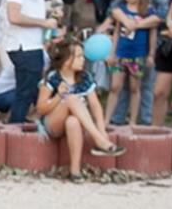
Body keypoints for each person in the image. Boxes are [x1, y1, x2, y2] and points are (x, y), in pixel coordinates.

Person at [34, 35, 124, 180]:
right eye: (79, 56)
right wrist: (58, 97)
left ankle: (75, 171)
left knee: (73, 121)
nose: (83, 60)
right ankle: (98, 141)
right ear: (67, 60)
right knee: (71, 98)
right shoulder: (53, 77)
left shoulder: (84, 77)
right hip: (53, 123)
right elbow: (40, 108)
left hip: (73, 124)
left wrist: (102, 130)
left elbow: (95, 106)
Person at [0, 0, 59, 125]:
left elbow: (30, 10)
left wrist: (49, 15)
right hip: (22, 45)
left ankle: (30, 125)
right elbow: (14, 16)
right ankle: (14, 130)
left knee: (31, 91)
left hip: (33, 44)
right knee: (25, 93)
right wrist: (43, 23)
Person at [107, 0, 160, 126]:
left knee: (134, 88)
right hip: (121, 53)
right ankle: (107, 119)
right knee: (115, 86)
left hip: (138, 55)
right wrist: (112, 53)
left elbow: (153, 34)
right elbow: (117, 32)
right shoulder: (122, 10)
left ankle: (132, 120)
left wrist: (151, 54)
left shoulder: (147, 11)